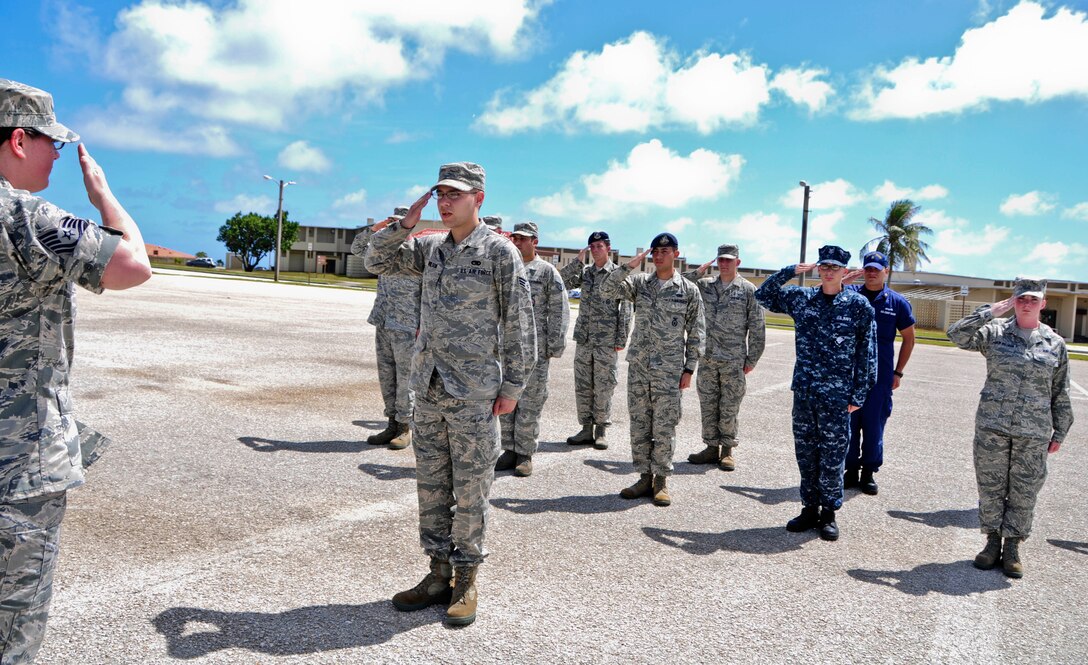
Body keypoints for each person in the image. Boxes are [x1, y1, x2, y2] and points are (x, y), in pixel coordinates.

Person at [1, 79, 151, 662]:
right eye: (49, 142)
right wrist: (104, 196)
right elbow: (132, 265)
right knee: (12, 629)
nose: (57, 154)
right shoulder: (26, 218)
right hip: (17, 464)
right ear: (18, 139)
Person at [364, 162, 535, 626]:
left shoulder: (500, 253)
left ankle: (466, 577)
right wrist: (405, 225)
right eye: (440, 194)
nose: (445, 202)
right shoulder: (430, 249)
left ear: (479, 198)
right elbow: (374, 260)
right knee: (432, 486)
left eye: (454, 195)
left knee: (472, 487)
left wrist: (513, 387)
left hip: (476, 390)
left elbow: (520, 323)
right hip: (431, 387)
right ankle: (437, 572)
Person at [947, 278, 1073, 578]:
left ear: (1043, 304)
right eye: (1021, 298)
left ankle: (1013, 545)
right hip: (993, 426)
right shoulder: (994, 333)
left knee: (1025, 490)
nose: (1026, 303)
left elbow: (1061, 391)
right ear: (1013, 301)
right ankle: (992, 543)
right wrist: (988, 312)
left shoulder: (1055, 343)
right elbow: (956, 335)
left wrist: (1061, 431)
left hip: (1034, 431)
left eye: (1033, 299)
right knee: (991, 486)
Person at [754, 246, 876, 541]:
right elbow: (763, 295)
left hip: (837, 397)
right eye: (824, 266)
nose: (829, 271)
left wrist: (858, 395)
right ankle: (809, 508)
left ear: (845, 271)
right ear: (818, 269)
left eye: (835, 267)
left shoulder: (858, 306)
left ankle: (829, 513)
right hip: (806, 393)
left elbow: (867, 354)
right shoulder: (803, 298)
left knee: (833, 456)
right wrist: (790, 271)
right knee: (806, 454)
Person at [600, 233, 705, 506]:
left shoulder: (688, 290)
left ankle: (661, 480)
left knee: (665, 426)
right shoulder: (639, 284)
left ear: (676, 254)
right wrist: (628, 265)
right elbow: (606, 289)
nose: (659, 256)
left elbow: (696, 333)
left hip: (669, 370)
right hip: (639, 367)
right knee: (640, 425)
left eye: (665, 251)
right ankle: (644, 477)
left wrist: (689, 369)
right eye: (655, 251)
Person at [496, 222, 570, 477]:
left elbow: (560, 309)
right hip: (506, 346)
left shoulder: (547, 272)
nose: (516, 242)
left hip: (535, 349)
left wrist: (554, 344)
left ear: (534, 241)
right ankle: (508, 449)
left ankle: (525, 453)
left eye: (522, 239)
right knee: (506, 398)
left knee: (531, 401)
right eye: (514, 238)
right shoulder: (506, 268)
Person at [683, 244, 766, 471]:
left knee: (729, 406)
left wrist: (752, 359)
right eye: (721, 260)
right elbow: (679, 284)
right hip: (707, 358)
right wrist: (699, 271)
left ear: (738, 262)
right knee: (708, 404)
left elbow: (757, 327)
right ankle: (711, 448)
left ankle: (727, 450)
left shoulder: (749, 290)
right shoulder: (705, 285)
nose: (724, 264)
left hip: (733, 359)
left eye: (729, 260)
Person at [840, 251, 916, 495]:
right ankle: (849, 470)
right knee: (849, 424)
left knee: (874, 425)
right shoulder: (849, 295)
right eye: (868, 268)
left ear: (885, 271)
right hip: (850, 374)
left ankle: (869, 472)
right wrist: (844, 281)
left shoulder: (897, 302)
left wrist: (898, 372)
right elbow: (824, 293)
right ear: (863, 271)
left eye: (877, 268)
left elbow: (909, 339)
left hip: (880, 376)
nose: (872, 273)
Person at [350, 206, 421, 450]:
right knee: (386, 376)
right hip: (383, 320)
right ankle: (391, 422)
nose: (395, 229)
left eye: (399, 224)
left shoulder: (416, 251)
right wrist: (375, 228)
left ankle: (404, 426)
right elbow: (357, 249)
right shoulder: (381, 250)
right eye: (393, 224)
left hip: (408, 325)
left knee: (406, 378)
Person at [559, 231, 633, 450]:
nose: (596, 250)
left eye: (600, 246)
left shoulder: (617, 274)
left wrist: (621, 337)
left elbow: (626, 308)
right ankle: (585, 428)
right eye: (592, 246)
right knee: (583, 385)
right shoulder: (586, 274)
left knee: (604, 385)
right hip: (584, 338)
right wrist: (576, 263)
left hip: (606, 340)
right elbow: (560, 281)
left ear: (608, 248)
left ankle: (600, 429)